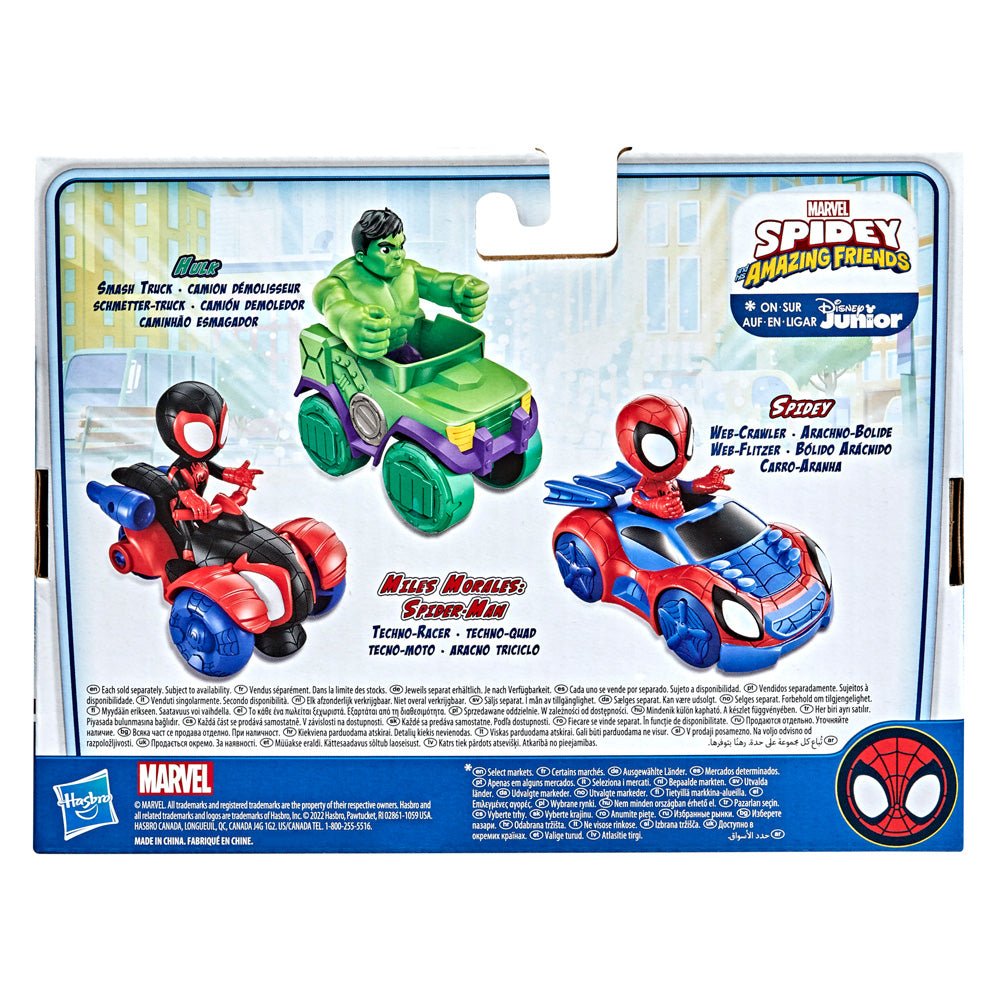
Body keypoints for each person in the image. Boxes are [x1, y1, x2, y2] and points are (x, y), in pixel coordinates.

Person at [313, 207, 488, 362]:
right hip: (363, 361)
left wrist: (461, 289)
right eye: (386, 249)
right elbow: (335, 305)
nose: (399, 255)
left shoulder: (408, 271)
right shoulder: (341, 280)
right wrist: (348, 321)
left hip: (402, 351)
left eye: (400, 246)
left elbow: (435, 283)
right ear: (361, 256)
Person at [616, 395, 733, 519]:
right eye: (661, 449)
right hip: (650, 528)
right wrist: (654, 505)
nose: (679, 460)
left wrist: (704, 483)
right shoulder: (645, 488)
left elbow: (687, 486)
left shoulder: (672, 481)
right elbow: (637, 499)